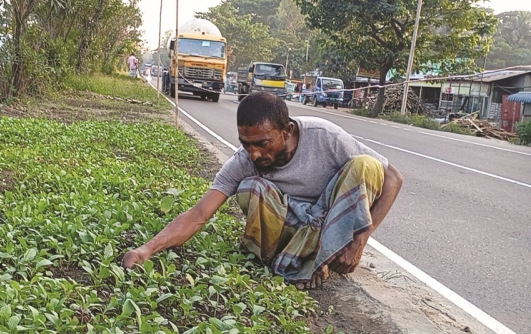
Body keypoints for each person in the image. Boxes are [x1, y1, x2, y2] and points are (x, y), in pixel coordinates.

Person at [122, 92, 404, 290]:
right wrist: (146, 249)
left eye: (262, 143)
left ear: (287, 130)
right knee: (251, 187)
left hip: (328, 225)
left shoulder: (325, 137)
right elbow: (198, 214)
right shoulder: (243, 161)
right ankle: (294, 264)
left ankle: (323, 257)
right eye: (246, 143)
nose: (254, 154)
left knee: (366, 165)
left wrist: (360, 240)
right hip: (287, 232)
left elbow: (393, 179)